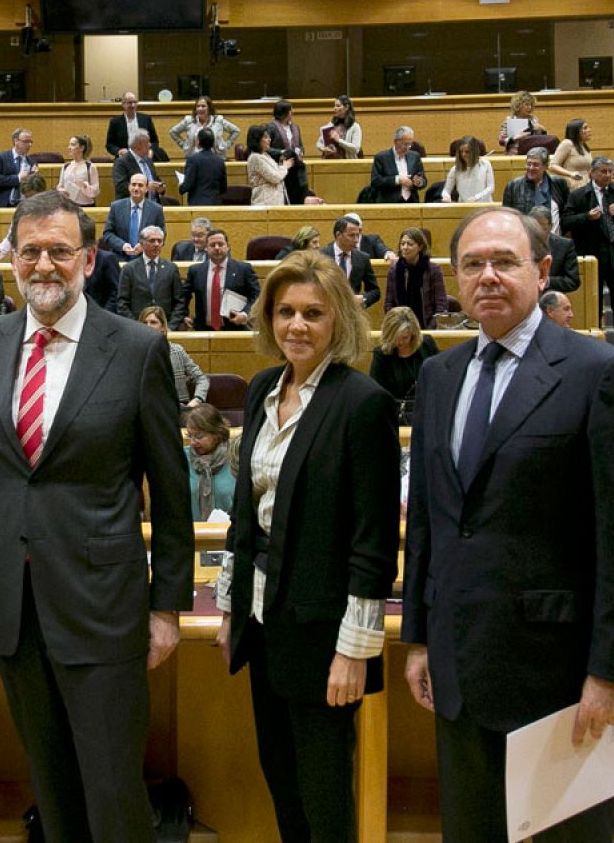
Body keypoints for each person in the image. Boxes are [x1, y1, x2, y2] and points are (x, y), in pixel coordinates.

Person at [401, 207, 614, 843]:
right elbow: (433, 523)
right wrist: (417, 638)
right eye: (472, 264)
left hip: (560, 679)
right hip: (459, 666)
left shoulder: (598, 372)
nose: (487, 276)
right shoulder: (439, 375)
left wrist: (613, 672)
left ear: (542, 271)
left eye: (504, 261)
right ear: (455, 278)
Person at [0, 191, 193, 843]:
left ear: (87, 257)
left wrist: (166, 607)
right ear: (10, 260)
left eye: (59, 250)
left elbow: (170, 494)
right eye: (30, 252)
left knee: (112, 793)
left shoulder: (137, 349)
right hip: (12, 609)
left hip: (104, 609)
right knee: (52, 793)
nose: (44, 265)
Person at [215, 251, 399, 843]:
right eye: (285, 311)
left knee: (324, 795)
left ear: (338, 320)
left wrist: (355, 653)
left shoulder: (362, 403)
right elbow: (246, 513)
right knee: (281, 777)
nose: (297, 325)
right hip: (265, 624)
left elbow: (373, 544)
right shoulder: (265, 388)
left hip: (324, 634)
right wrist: (230, 607)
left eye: (313, 314)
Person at [562, 155, 614, 323]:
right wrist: (587, 217)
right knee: (593, 302)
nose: (608, 175)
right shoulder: (579, 195)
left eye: (610, 171)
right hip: (592, 254)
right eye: (603, 172)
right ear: (592, 173)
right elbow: (566, 221)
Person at [179, 228, 259, 331]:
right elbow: (183, 297)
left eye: (220, 244)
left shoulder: (243, 269)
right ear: (206, 248)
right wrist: (184, 315)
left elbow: (257, 295)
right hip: (203, 330)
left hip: (235, 330)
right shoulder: (196, 271)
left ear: (228, 247)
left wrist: (245, 313)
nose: (217, 248)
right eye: (212, 245)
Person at [370, 307, 439, 423]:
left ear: (413, 333)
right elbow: (376, 391)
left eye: (405, 338)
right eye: (396, 338)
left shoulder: (427, 345)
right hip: (395, 416)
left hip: (426, 412)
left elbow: (439, 379)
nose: (400, 342)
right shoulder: (382, 354)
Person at [138, 305, 206, 413]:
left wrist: (197, 399)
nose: (148, 326)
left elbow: (202, 379)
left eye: (153, 322)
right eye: (144, 323)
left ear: (163, 327)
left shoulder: (177, 351)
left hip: (178, 408)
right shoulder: (136, 353)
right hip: (148, 410)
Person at [116, 226, 183, 324]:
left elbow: (179, 302)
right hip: (137, 328)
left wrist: (170, 327)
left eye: (159, 241)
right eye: (152, 241)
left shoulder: (171, 269)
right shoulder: (129, 269)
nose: (156, 244)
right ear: (142, 244)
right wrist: (136, 326)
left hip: (165, 327)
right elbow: (122, 303)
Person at [385, 227, 448, 328]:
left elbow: (441, 306)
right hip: (400, 329)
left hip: (427, 327)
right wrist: (397, 327)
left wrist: (428, 331)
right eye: (402, 244)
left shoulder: (433, 269)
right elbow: (389, 304)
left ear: (420, 247)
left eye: (410, 244)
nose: (405, 247)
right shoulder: (394, 269)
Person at [183, 404, 235, 520]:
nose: (192, 442)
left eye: (199, 436)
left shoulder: (236, 457)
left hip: (229, 533)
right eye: (189, 436)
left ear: (217, 434)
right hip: (191, 533)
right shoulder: (182, 457)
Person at [101, 174, 166, 261]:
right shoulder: (116, 207)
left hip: (146, 258)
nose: (136, 188)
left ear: (147, 189)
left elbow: (162, 235)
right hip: (120, 258)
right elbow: (107, 234)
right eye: (133, 184)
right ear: (129, 187)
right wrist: (122, 245)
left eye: (140, 185)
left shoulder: (156, 209)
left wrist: (145, 245)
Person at [320, 216, 380, 308]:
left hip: (352, 313)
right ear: (338, 235)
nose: (356, 240)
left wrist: (363, 299)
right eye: (351, 235)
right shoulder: (320, 256)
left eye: (358, 235)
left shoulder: (362, 258)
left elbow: (375, 291)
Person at [499, 149, 569, 227]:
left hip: (555, 236)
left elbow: (566, 214)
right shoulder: (513, 186)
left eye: (536, 165)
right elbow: (507, 217)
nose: (531, 168)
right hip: (526, 236)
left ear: (545, 166)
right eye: (529, 164)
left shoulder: (559, 183)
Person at [528, 206, 581, 294]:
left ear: (551, 226)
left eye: (542, 229)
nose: (538, 232)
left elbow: (572, 282)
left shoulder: (565, 246)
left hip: (552, 299)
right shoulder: (521, 244)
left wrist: (547, 281)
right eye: (534, 228)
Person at [104, 91, 169, 161]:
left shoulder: (146, 119)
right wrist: (119, 151)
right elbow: (109, 145)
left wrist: (151, 150)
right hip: (125, 159)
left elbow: (155, 141)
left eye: (135, 102)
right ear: (123, 104)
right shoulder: (115, 122)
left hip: (145, 157)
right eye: (130, 103)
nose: (133, 105)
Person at [169, 96, 241, 157]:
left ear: (209, 108)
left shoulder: (218, 120)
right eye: (198, 106)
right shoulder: (189, 120)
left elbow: (236, 131)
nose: (200, 109)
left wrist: (225, 146)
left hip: (215, 158)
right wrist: (185, 145)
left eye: (203, 106)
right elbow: (173, 132)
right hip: (194, 158)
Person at [369, 126, 426, 203]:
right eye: (405, 144)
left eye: (410, 144)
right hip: (389, 203)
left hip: (412, 202)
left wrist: (419, 182)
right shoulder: (382, 158)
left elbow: (424, 180)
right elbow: (375, 182)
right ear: (396, 142)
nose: (407, 148)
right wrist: (397, 180)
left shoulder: (415, 156)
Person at [110, 132, 166, 204]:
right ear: (139, 145)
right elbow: (120, 187)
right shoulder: (121, 162)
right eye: (148, 142)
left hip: (153, 206)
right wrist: (145, 187)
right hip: (132, 207)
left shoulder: (148, 160)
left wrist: (161, 187)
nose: (150, 145)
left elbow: (156, 179)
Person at [0, 128, 38, 208]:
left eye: (30, 142)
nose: (29, 145)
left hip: (24, 206)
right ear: (16, 141)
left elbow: (34, 188)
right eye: (26, 141)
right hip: (3, 204)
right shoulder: (2, 157)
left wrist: (33, 177)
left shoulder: (32, 162)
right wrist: (18, 178)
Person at [245, 123, 292, 206]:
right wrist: (285, 166)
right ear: (257, 140)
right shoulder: (255, 158)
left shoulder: (265, 155)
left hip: (274, 202)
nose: (269, 139)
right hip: (264, 203)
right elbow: (275, 177)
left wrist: (281, 165)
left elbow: (277, 172)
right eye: (265, 137)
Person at [179, 128, 228, 206]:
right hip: (216, 203)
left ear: (198, 141)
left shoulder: (193, 159)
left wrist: (181, 187)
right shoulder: (220, 161)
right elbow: (223, 188)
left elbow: (187, 185)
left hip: (197, 205)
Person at [441, 135, 493, 203]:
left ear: (474, 151)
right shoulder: (455, 169)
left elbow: (490, 188)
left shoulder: (485, 164)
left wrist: (476, 198)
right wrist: (446, 196)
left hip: (483, 205)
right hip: (464, 205)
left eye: (467, 152)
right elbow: (446, 190)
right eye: (461, 151)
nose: (463, 154)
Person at [56, 134, 100, 206]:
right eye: (69, 144)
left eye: (73, 145)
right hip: (68, 205)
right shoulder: (66, 166)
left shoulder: (90, 167)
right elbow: (60, 186)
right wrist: (61, 190)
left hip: (85, 205)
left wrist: (85, 186)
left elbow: (96, 191)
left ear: (82, 148)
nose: (69, 147)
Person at [552, 119, 593, 188]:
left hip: (586, 186)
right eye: (585, 128)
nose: (589, 130)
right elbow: (552, 166)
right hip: (572, 186)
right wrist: (570, 174)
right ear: (576, 131)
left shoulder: (585, 147)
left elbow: (588, 171)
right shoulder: (567, 143)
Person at [319, 95, 362, 159]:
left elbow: (356, 149)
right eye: (334, 106)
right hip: (329, 162)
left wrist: (339, 140)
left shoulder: (355, 127)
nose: (335, 108)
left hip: (347, 164)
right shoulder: (331, 124)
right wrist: (324, 149)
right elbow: (319, 143)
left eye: (338, 106)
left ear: (347, 107)